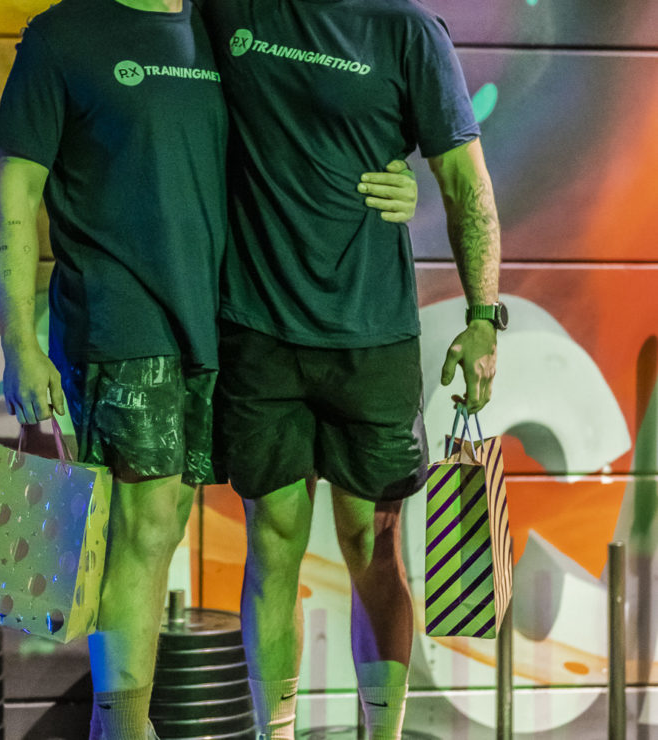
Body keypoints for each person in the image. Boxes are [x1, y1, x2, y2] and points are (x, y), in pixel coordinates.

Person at [0, 0, 419, 737]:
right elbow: (15, 193)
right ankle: (122, 728)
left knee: (166, 525)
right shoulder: (63, 34)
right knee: (146, 525)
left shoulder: (219, 26)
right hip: (122, 316)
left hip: (218, 322)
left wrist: (399, 180)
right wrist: (19, 343)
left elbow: (306, 131)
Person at [198, 1, 503, 738]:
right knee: (273, 544)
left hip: (372, 337)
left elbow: (466, 183)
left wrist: (482, 318)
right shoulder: (226, 9)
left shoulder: (406, 30)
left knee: (372, 546)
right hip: (258, 330)